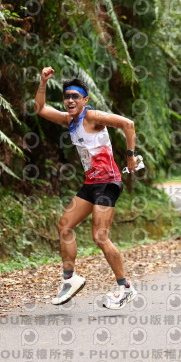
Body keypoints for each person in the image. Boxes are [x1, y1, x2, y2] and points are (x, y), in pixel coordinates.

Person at [34, 66, 138, 310]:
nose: (70, 100)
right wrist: (42, 82)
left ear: (85, 100)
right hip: (91, 184)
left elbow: (128, 124)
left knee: (100, 236)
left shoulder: (92, 116)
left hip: (108, 182)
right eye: (67, 97)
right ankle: (70, 279)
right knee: (64, 225)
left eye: (75, 96)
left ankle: (125, 288)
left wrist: (130, 156)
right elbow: (40, 109)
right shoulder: (69, 120)